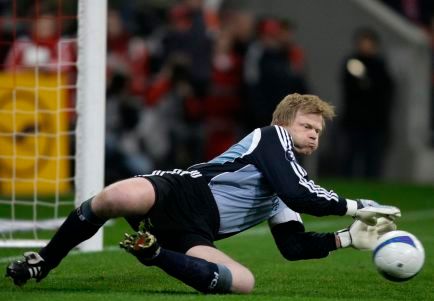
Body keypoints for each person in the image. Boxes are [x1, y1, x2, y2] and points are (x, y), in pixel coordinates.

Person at [6, 93, 400, 294]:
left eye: (318, 131)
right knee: (115, 198)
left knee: (243, 283)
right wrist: (357, 206)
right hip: (181, 191)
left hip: (196, 232)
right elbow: (301, 195)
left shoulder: (286, 181)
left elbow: (292, 246)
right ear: (284, 123)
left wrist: (346, 239)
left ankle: (155, 254)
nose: (313, 134)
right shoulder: (270, 137)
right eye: (307, 125)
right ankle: (45, 259)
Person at [340, 27, 394, 178]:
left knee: (373, 160)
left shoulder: (380, 65)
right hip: (355, 120)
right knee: (350, 156)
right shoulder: (351, 62)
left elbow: (385, 90)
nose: (366, 46)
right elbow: (350, 88)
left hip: (376, 121)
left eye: (369, 43)